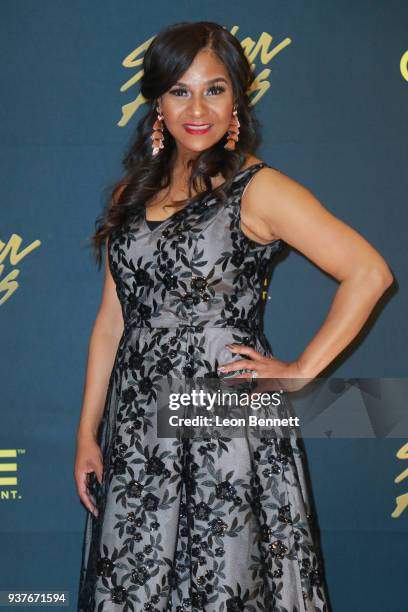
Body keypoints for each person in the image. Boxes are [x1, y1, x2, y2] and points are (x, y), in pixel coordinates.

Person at [74, 21, 393, 612]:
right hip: (138, 423)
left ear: (237, 101)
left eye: (214, 90)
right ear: (157, 104)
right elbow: (110, 325)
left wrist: (300, 371)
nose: (198, 108)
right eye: (180, 90)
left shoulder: (258, 189)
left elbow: (369, 273)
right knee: (138, 583)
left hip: (224, 415)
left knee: (225, 579)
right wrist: (86, 433)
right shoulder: (130, 199)